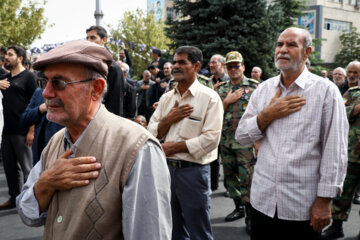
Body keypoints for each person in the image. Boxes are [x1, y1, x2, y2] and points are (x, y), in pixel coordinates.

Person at [16, 40, 172, 239]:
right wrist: (46, 183)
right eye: (44, 82)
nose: (46, 93)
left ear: (96, 89)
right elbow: (28, 214)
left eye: (59, 83)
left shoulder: (138, 149)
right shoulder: (56, 142)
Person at [235, 27, 348, 240]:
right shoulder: (264, 89)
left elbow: (335, 151)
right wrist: (266, 115)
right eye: (279, 44)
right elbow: (241, 136)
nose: (282, 50)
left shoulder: (325, 91)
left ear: (307, 52)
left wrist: (324, 201)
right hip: (262, 203)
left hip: (302, 207)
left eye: (291, 44)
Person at [148, 46, 223, 240]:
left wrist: (174, 147)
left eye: (182, 62)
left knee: (199, 231)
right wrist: (168, 119)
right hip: (166, 171)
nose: (176, 66)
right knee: (173, 230)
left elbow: (211, 139)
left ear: (196, 66)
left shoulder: (209, 98)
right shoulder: (166, 99)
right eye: (174, 62)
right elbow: (150, 133)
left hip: (194, 172)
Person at [217, 51, 258, 229]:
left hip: (246, 143)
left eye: (236, 65)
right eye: (230, 66)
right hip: (226, 142)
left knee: (247, 179)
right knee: (230, 178)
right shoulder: (220, 89)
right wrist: (226, 102)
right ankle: (238, 208)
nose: (233, 69)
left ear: (243, 67)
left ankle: (250, 215)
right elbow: (212, 114)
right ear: (226, 68)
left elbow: (262, 114)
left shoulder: (255, 87)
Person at [321, 60, 360, 240]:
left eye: (356, 73)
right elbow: (338, 114)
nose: (352, 75)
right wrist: (356, 108)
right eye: (350, 72)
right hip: (351, 151)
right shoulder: (344, 92)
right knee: (343, 193)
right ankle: (337, 226)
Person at [0, 46, 37, 210]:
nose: (6, 57)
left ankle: (31, 201)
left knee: (27, 168)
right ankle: (14, 198)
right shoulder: (5, 78)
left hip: (23, 130)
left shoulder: (29, 77)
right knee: (9, 167)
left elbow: (35, 103)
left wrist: (32, 130)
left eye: (10, 54)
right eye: (6, 54)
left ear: (20, 58)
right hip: (7, 130)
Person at [86, 25, 127, 117]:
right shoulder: (87, 64)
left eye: (93, 38)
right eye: (87, 38)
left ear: (104, 40)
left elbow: (115, 107)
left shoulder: (113, 69)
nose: (89, 41)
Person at [20, 86, 64, 165]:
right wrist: (40, 109)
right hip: (39, 149)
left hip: (59, 149)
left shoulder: (67, 91)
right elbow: (25, 119)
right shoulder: (39, 92)